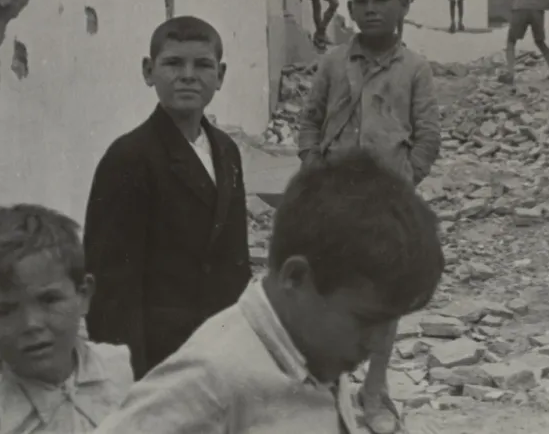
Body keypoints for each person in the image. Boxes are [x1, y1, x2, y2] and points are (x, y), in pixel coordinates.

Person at [91, 150, 445, 434]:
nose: (379, 343)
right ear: (295, 278)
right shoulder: (211, 382)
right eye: (367, 320)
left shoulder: (313, 347)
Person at [296, 0, 441, 434]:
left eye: (381, 0)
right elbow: (310, 121)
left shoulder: (415, 68)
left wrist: (406, 179)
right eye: (360, 2)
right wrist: (314, 169)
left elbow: (428, 135)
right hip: (334, 201)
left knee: (385, 296)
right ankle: (330, 387)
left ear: (404, 4)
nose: (370, 10)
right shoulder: (334, 62)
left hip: (387, 204)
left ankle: (375, 388)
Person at [84, 16, 250, 380]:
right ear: (148, 71)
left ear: (220, 75)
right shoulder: (130, 158)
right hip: (159, 354)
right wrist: (130, 378)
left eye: (202, 65)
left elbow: (235, 258)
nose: (188, 75)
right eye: (173, 63)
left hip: (219, 344)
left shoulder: (226, 150)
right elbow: (112, 285)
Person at [0, 204, 134, 433]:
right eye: (5, 311)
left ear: (83, 295)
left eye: (49, 300)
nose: (31, 324)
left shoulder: (128, 372)